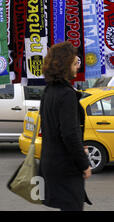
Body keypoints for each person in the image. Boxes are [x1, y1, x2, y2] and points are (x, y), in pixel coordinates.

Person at [39, 41, 92, 211]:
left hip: (50, 163)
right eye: (75, 62)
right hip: (66, 166)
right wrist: (84, 164)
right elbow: (69, 134)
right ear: (65, 64)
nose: (77, 66)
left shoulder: (48, 91)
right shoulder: (67, 94)